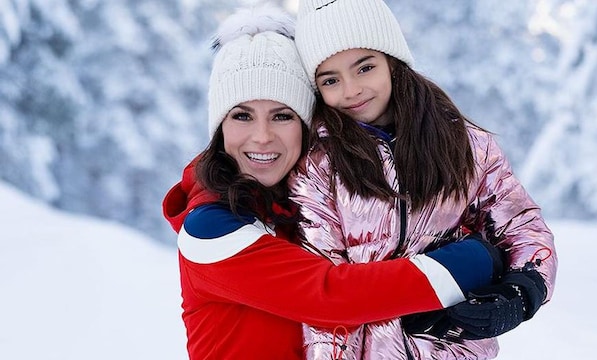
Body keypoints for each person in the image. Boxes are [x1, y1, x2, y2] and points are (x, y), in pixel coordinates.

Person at [161, 5, 504, 360]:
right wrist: (470, 261)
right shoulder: (211, 227)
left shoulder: (304, 203)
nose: (261, 137)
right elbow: (332, 297)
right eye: (242, 115)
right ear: (219, 128)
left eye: (282, 116)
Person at [290, 0, 558, 359]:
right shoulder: (318, 163)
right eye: (331, 80)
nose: (351, 89)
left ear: (392, 62)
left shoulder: (465, 144)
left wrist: (523, 291)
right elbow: (323, 292)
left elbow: (521, 225)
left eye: (365, 67)